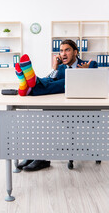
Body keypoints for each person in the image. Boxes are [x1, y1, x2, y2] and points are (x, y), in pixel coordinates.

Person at [15, 39, 98, 171]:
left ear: (75, 52)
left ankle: (28, 87)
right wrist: (54, 68)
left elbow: (97, 85)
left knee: (67, 80)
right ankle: (36, 157)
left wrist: (86, 73)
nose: (63, 53)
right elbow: (49, 84)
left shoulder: (90, 64)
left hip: (82, 112)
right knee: (41, 117)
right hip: (63, 108)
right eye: (61, 51)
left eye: (67, 50)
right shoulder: (60, 68)